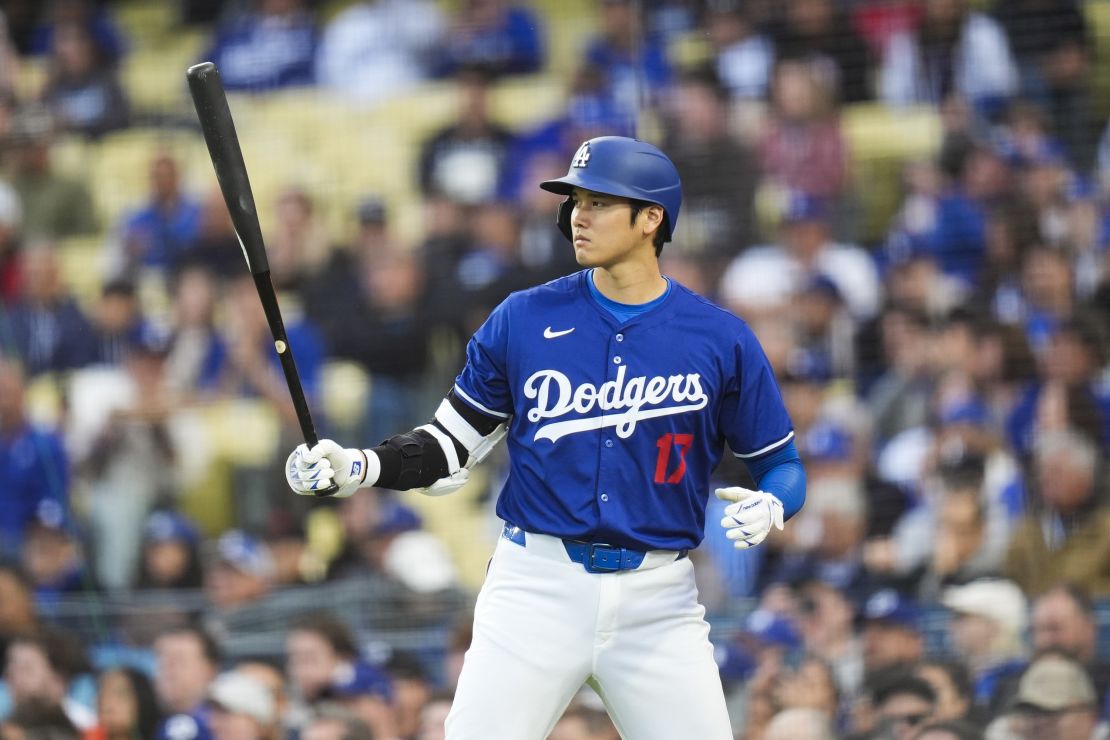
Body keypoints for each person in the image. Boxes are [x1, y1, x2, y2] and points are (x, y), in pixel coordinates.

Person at [286, 135, 807, 738]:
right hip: (537, 586)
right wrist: (359, 467)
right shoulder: (522, 317)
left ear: (652, 219)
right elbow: (451, 443)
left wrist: (775, 504)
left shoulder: (720, 337)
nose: (577, 216)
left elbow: (783, 466)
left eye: (599, 202)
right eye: (574, 200)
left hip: (659, 597)